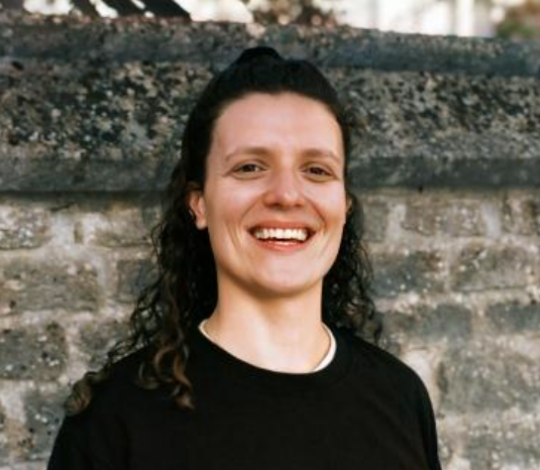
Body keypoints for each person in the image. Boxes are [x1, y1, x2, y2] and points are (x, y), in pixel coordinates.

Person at [47, 46, 442, 470]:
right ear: (198, 203)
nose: (287, 195)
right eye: (250, 167)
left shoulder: (400, 397)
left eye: (317, 170)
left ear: (343, 204)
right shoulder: (114, 421)